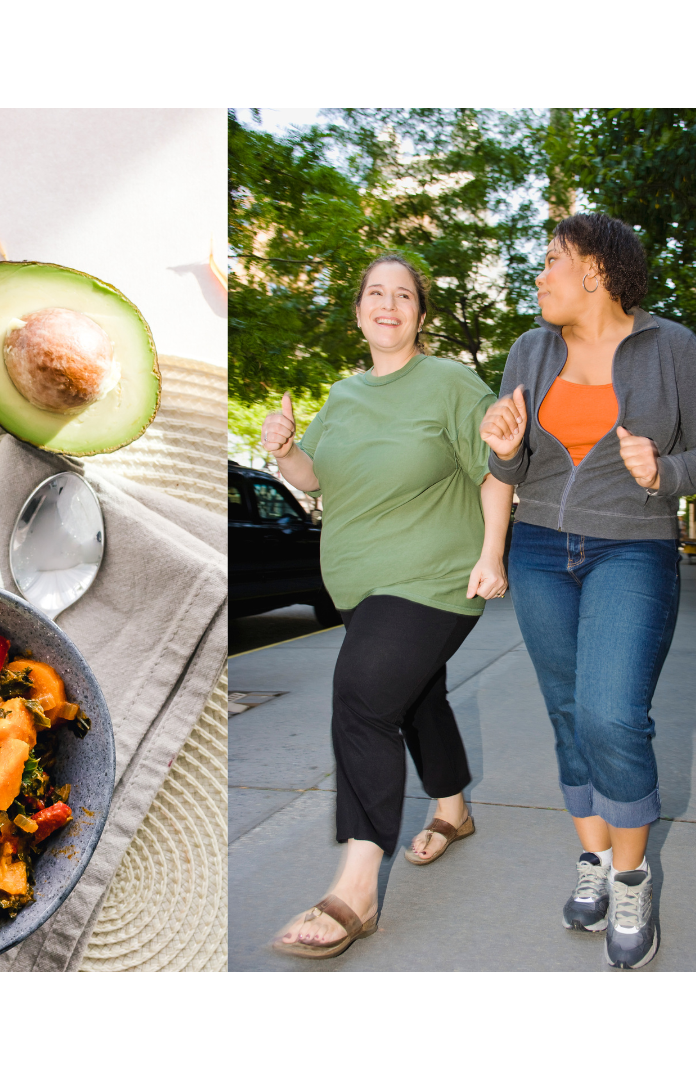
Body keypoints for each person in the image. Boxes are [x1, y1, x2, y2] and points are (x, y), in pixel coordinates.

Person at [480, 213, 696, 969]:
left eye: (552, 261)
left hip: (632, 546)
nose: (540, 275)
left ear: (594, 270)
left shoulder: (672, 348)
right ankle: (593, 860)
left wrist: (667, 472)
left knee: (612, 714)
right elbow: (508, 469)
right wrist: (502, 450)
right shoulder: (529, 351)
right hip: (537, 551)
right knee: (568, 713)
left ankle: (632, 875)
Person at [262, 255, 514, 959]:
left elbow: (496, 465)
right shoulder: (342, 395)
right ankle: (453, 807)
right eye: (376, 293)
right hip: (360, 587)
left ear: (420, 315)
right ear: (359, 312)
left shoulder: (452, 384)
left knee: (364, 699)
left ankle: (358, 882)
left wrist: (493, 553)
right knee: (416, 697)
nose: (389, 304)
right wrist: (284, 451)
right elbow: (318, 476)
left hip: (434, 578)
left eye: (404, 294)